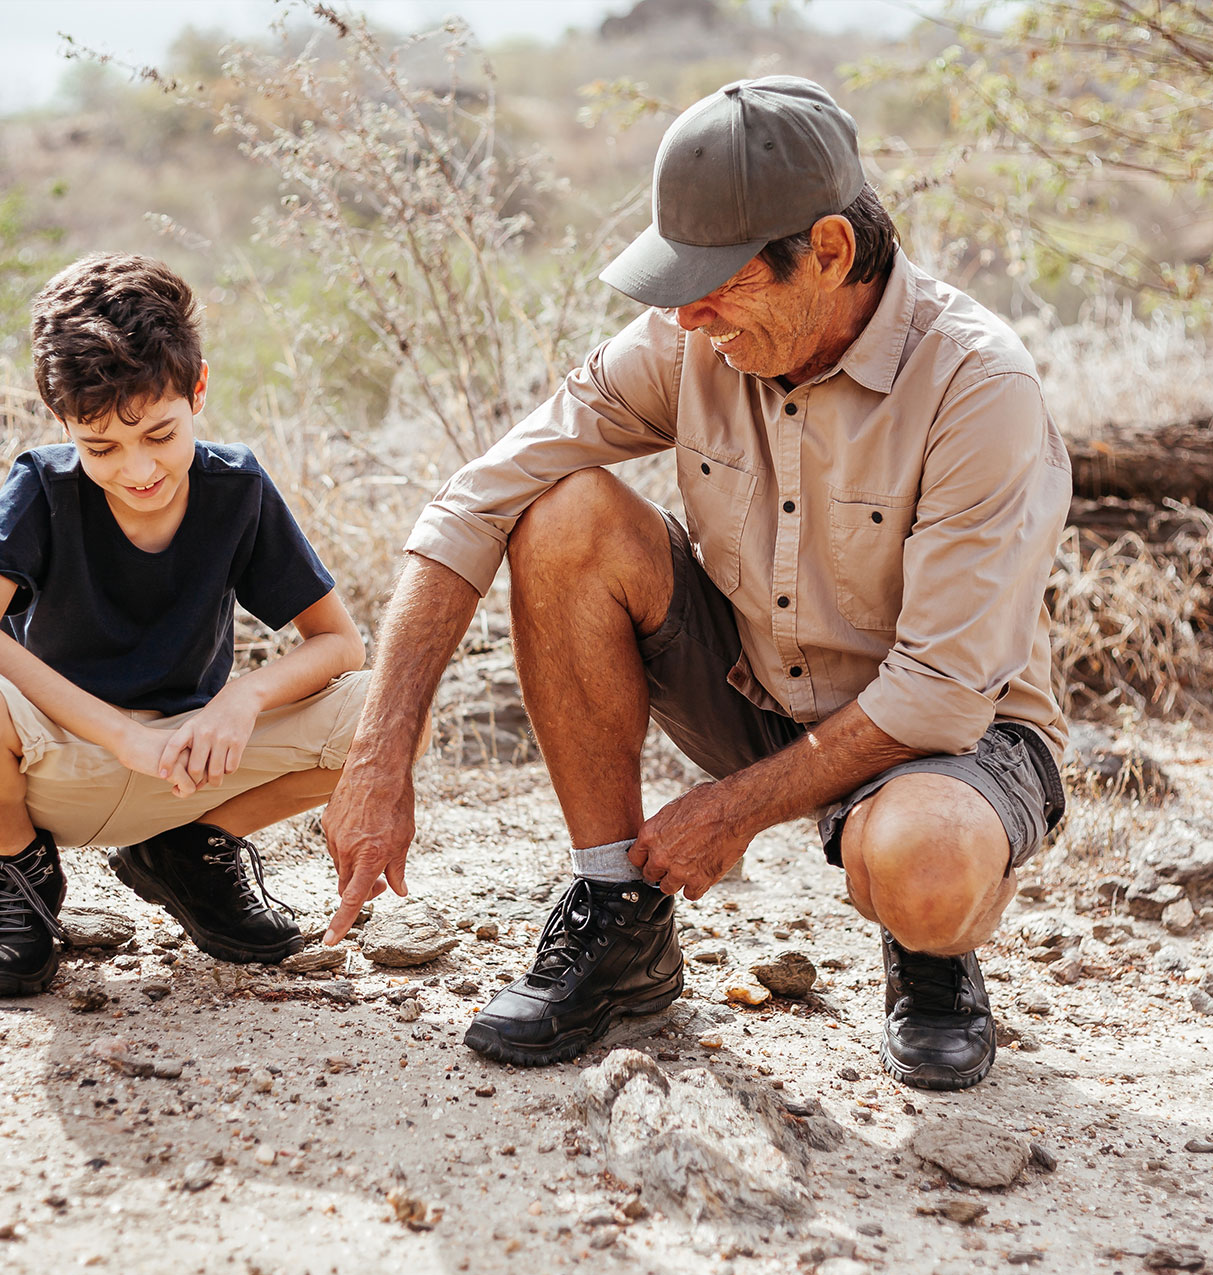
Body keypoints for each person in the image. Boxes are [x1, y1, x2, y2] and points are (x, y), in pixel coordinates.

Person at [322, 76, 1070, 1091]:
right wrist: (379, 755)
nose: (686, 316)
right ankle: (619, 928)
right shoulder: (695, 340)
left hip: (953, 735)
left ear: (830, 252)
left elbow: (936, 690)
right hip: (758, 687)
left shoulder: (981, 387)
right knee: (563, 512)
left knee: (924, 865)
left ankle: (930, 952)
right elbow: (475, 500)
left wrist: (732, 809)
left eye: (717, 282)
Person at [0, 253, 369, 997]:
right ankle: (20, 871)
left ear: (198, 390)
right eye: (100, 447)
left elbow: (339, 643)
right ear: (63, 424)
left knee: (388, 710)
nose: (137, 469)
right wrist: (121, 734)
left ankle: (186, 854)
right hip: (56, 767)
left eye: (160, 434)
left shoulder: (238, 488)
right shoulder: (41, 486)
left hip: (186, 771)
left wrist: (240, 701)